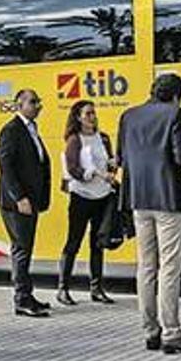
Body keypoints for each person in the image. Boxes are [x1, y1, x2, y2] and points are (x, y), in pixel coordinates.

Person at [118, 73, 181, 354]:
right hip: (167, 198)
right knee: (170, 266)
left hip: (138, 199)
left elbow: (121, 157)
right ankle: (172, 332)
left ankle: (151, 331)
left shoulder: (129, 115)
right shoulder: (175, 114)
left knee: (146, 266)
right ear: (177, 95)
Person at [56, 100, 117, 306]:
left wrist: (112, 166)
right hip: (81, 196)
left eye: (93, 113)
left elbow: (109, 164)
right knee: (73, 241)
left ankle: (96, 288)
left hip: (103, 195)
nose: (92, 117)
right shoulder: (75, 140)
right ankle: (63, 288)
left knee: (97, 244)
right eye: (88, 113)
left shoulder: (104, 138)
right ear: (78, 117)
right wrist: (93, 173)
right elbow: (73, 169)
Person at [0, 89, 52, 317]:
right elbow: (6, 166)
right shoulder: (11, 130)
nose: (37, 105)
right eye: (32, 102)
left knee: (26, 248)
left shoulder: (31, 129)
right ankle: (21, 298)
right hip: (17, 202)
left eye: (38, 101)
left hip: (31, 200)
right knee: (21, 249)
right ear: (18, 105)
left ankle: (27, 294)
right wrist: (19, 197)